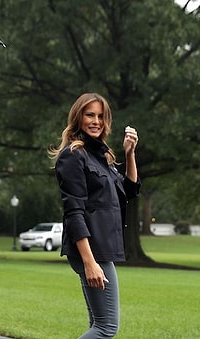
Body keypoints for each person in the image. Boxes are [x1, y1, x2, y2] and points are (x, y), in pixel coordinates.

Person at [49, 92, 140, 338]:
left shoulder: (102, 157)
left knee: (97, 325)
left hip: (100, 249)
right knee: (106, 328)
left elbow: (129, 191)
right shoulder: (72, 156)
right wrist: (90, 262)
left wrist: (129, 154)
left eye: (101, 116)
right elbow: (73, 212)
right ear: (78, 118)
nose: (96, 121)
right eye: (90, 115)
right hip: (91, 250)